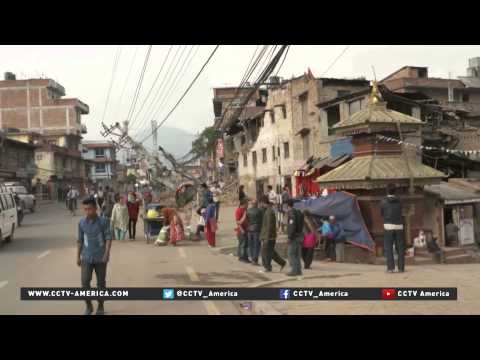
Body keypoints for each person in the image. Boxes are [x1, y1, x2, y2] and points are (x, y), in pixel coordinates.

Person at [77, 197, 112, 315]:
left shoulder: (104, 221)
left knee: (101, 283)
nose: (88, 212)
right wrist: (78, 256)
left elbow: (108, 238)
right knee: (84, 282)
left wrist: (107, 253)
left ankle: (100, 306)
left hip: (101, 257)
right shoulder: (81, 223)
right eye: (85, 209)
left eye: (90, 209)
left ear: (95, 209)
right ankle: (88, 306)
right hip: (86, 257)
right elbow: (80, 240)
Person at [380, 184, 405, 273]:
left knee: (388, 247)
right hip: (399, 225)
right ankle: (401, 268)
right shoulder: (400, 201)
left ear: (387, 191)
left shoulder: (383, 201)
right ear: (395, 191)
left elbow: (382, 213)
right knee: (400, 247)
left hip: (388, 226)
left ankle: (390, 268)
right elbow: (402, 212)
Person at [260, 195, 286, 272]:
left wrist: (266, 238)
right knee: (271, 252)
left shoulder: (269, 212)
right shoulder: (268, 211)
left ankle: (268, 267)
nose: (260, 205)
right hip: (269, 236)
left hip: (269, 237)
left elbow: (269, 226)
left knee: (265, 252)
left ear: (263, 202)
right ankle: (282, 263)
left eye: (260, 203)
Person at [286, 199, 303, 276]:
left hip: (294, 237)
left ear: (287, 206)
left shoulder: (291, 213)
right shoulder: (298, 212)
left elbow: (292, 226)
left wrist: (289, 237)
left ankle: (294, 270)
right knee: (297, 254)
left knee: (291, 254)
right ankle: (298, 270)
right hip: (299, 235)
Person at [246, 199, 263, 266]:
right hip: (256, 229)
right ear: (256, 204)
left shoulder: (248, 211)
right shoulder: (259, 211)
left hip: (250, 229)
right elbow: (261, 220)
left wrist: (248, 226)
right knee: (257, 245)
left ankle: (252, 258)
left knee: (251, 245)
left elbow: (246, 220)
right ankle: (255, 260)